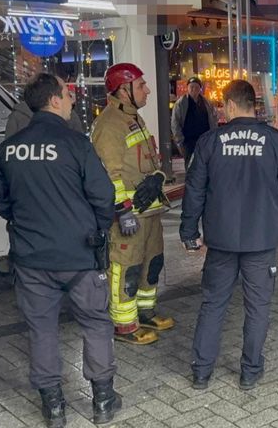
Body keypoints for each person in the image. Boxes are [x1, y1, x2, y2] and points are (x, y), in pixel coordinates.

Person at [0, 73, 122, 427]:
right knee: (95, 323)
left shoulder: (7, 149)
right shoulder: (76, 143)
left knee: (41, 329)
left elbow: (0, 202)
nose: (73, 99)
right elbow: (104, 197)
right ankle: (103, 401)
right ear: (54, 100)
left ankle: (54, 408)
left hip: (31, 259)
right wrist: (95, 226)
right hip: (80, 255)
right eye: (68, 93)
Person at [179, 79, 278, 391]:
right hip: (260, 241)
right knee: (258, 307)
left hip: (220, 241)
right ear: (254, 105)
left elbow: (194, 191)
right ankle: (250, 372)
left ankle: (201, 371)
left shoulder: (210, 142)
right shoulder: (276, 141)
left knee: (213, 304)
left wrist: (188, 232)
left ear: (230, 105)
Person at [91, 63, 174, 345]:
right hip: (129, 217)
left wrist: (158, 176)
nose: (147, 89)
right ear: (124, 91)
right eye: (141, 85)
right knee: (126, 268)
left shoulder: (133, 118)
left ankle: (145, 311)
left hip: (149, 212)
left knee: (152, 262)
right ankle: (123, 324)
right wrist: (122, 211)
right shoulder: (109, 125)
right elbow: (107, 175)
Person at [6, 80, 84, 137]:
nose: (71, 101)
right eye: (67, 95)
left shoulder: (17, 115)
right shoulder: (70, 116)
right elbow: (82, 151)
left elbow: (7, 151)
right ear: (55, 99)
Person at [171, 76, 218, 167]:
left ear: (200, 89)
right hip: (188, 142)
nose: (194, 89)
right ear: (187, 88)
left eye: (196, 87)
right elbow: (175, 124)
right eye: (191, 87)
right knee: (191, 166)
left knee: (206, 165)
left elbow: (213, 120)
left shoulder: (207, 103)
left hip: (205, 140)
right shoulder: (180, 104)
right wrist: (180, 141)